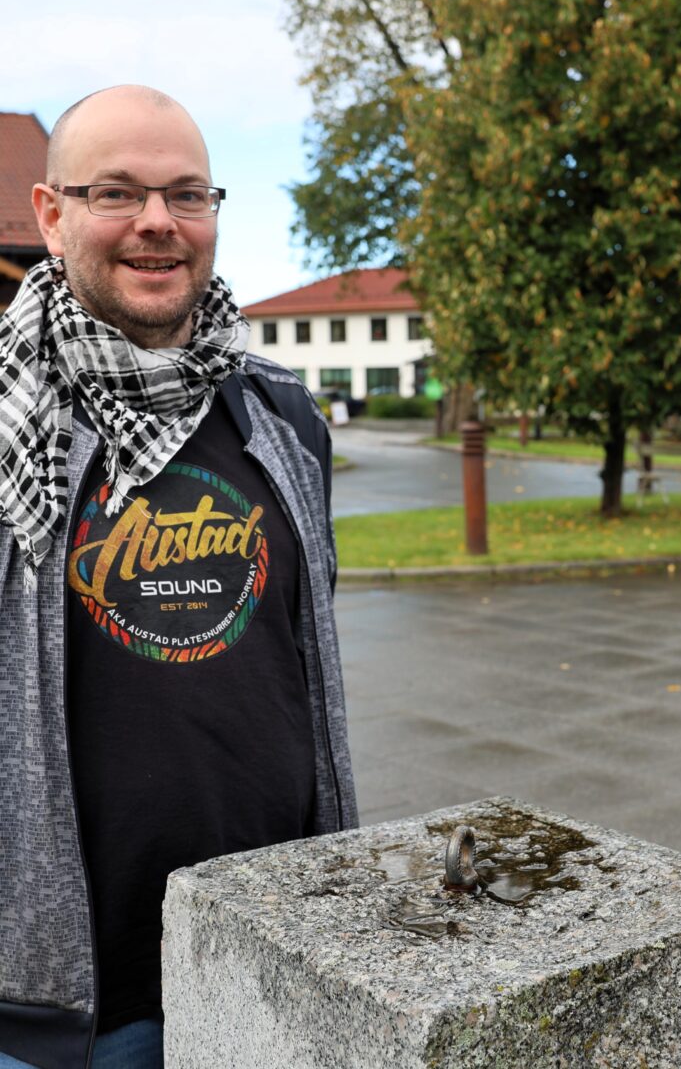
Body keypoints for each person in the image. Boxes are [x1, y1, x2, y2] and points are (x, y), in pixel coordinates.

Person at [0, 86, 357, 1069]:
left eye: (186, 195)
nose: (158, 222)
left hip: (270, 960)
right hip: (60, 1007)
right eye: (117, 191)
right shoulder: (8, 417)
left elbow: (300, 662)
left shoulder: (284, 418)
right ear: (50, 213)